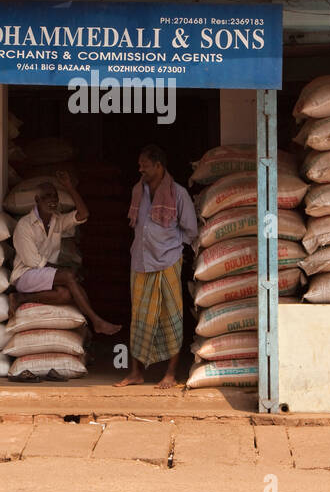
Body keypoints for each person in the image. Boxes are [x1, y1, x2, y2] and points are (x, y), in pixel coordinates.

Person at [116, 145, 198, 389]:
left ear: (159, 165)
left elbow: (191, 230)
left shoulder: (178, 194)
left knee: (170, 316)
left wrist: (172, 248)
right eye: (140, 164)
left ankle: (171, 374)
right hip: (140, 262)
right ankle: (136, 372)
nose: (140, 168)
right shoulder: (137, 191)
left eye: (145, 164)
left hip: (167, 262)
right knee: (139, 317)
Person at [10, 170, 121, 337]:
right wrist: (65, 272)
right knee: (69, 277)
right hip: (25, 275)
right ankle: (96, 322)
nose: (53, 200)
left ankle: (21, 299)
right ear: (37, 200)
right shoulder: (24, 225)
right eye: (47, 196)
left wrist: (69, 186)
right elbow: (34, 263)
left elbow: (83, 214)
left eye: (55, 196)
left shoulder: (57, 220)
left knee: (65, 294)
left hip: (44, 274)